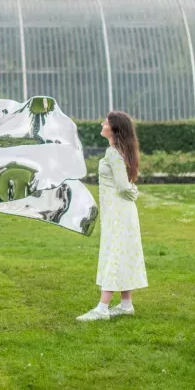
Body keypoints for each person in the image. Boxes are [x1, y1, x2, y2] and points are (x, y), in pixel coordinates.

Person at [77, 111, 148, 322]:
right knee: (121, 251)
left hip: (119, 212)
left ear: (114, 128)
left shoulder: (113, 153)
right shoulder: (117, 151)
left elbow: (124, 186)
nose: (102, 123)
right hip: (117, 212)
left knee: (114, 254)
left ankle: (102, 307)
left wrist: (133, 192)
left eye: (106, 122)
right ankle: (126, 304)